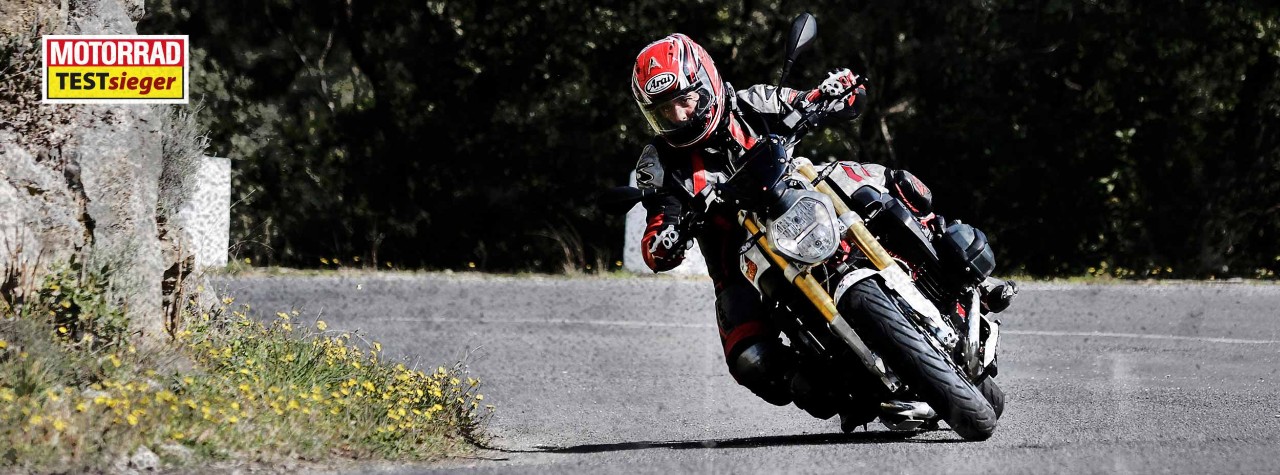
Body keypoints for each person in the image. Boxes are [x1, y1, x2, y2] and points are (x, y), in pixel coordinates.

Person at [629, 33, 1016, 424]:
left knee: (877, 184)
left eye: (684, 101)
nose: (678, 116)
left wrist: (834, 92)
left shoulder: (752, 102)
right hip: (738, 257)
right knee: (748, 358)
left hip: (801, 193)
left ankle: (961, 273)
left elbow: (814, 101)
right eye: (664, 111)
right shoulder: (660, 162)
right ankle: (842, 387)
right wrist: (664, 240)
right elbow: (657, 226)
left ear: (707, 84)